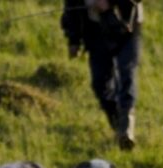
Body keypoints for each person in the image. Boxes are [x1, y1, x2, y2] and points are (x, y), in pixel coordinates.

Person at [61, 0, 143, 151]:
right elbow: (70, 7)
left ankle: (126, 130)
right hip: (95, 31)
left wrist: (109, 2)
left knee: (126, 73)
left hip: (126, 26)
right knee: (100, 84)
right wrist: (73, 40)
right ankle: (118, 126)